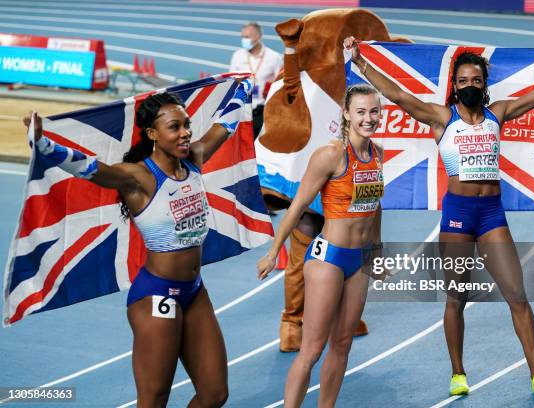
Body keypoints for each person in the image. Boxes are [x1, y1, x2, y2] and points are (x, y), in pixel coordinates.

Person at [345, 36, 534, 396]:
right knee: (457, 298)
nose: (469, 86)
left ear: (484, 85)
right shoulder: (441, 118)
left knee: (517, 294)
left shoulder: (497, 113)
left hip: (491, 214)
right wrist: (360, 63)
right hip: (458, 216)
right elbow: (400, 96)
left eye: (476, 81)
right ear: (455, 85)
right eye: (463, 81)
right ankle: (458, 374)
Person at [24, 79, 252, 407]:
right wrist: (44, 144)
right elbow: (91, 169)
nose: (186, 132)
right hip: (156, 294)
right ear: (152, 134)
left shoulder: (194, 160)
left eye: (187, 125)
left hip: (194, 291)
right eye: (175, 127)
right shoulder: (137, 178)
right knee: (154, 399)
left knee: (215, 394)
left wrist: (243, 89)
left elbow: (225, 125)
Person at [257, 84, 384, 407]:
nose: (368, 119)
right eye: (361, 112)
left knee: (342, 344)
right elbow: (298, 204)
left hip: (359, 260)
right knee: (312, 349)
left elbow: (375, 205)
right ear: (346, 114)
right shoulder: (331, 155)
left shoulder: (378, 154)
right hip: (329, 258)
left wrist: (376, 251)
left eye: (373, 112)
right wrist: (274, 251)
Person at [273, 18, 368, 354]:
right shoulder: (307, 90)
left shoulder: (348, 94)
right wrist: (289, 49)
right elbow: (290, 84)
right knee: (303, 251)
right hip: (310, 177)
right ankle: (292, 323)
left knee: (344, 248)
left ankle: (341, 315)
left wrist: (353, 56)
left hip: (342, 184)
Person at [230, 22, 283, 138]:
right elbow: (232, 81)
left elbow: (280, 83)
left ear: (258, 37)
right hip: (242, 109)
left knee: (259, 145)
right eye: (243, 37)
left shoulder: (274, 57)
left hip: (263, 110)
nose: (244, 40)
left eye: (247, 37)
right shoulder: (237, 56)